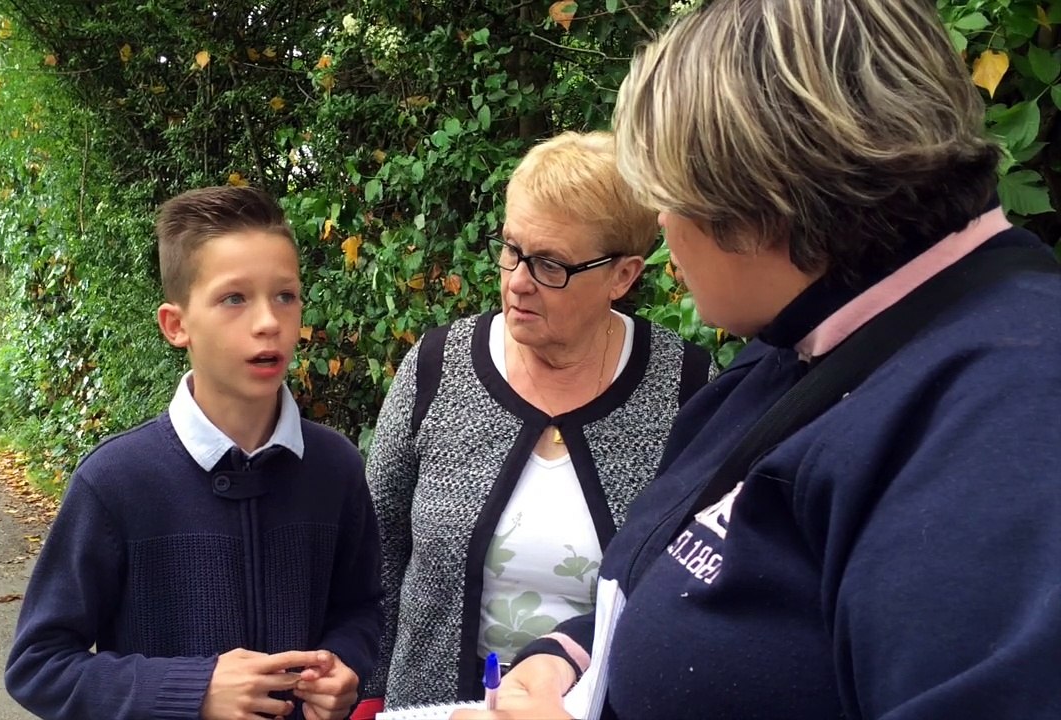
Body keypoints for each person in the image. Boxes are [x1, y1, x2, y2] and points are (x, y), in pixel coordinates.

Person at [455, 1, 1061, 719]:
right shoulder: (808, 346)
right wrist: (573, 653)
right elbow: (696, 593)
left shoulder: (1011, 419)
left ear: (757, 202)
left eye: (665, 198)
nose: (661, 232)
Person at [362, 131, 714, 712]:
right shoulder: (436, 367)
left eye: (551, 263)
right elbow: (375, 549)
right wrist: (369, 695)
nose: (518, 281)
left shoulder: (683, 388)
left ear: (623, 276)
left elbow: (689, 583)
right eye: (512, 249)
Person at [5, 186, 384, 720]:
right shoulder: (115, 481)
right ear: (176, 325)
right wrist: (193, 690)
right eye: (235, 298)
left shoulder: (336, 467)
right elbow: (39, 666)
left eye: (285, 295)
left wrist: (345, 664)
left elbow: (363, 606)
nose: (268, 322)